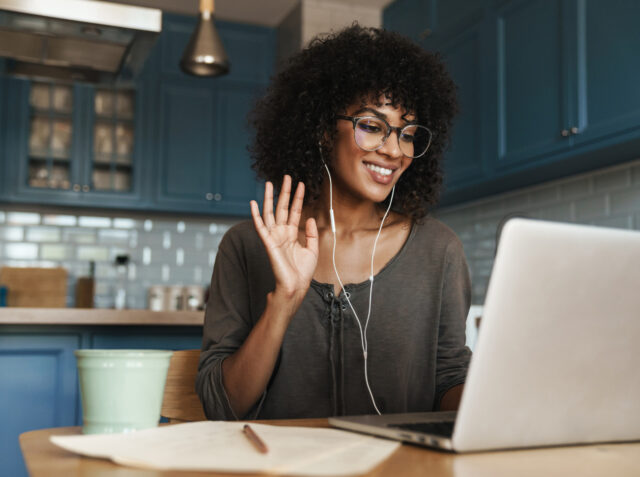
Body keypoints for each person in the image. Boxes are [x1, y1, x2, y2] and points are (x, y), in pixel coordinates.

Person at [196, 24, 471, 420]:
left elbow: (449, 379)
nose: (394, 150)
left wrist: (499, 405)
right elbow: (222, 407)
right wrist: (283, 304)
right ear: (325, 130)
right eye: (373, 126)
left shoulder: (438, 250)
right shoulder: (247, 246)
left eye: (408, 134)